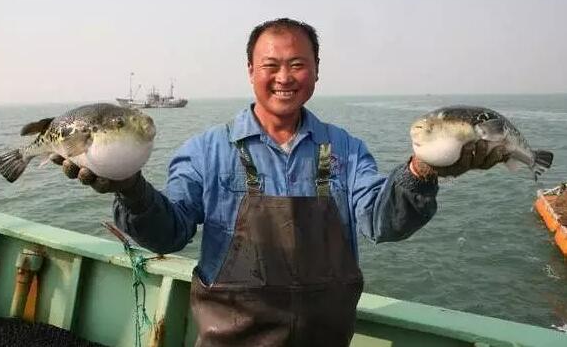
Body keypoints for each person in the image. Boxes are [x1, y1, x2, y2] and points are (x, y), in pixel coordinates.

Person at [53, 18, 508, 346]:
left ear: (316, 71)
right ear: (251, 70)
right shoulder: (206, 150)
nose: (284, 78)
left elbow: (381, 222)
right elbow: (169, 233)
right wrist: (129, 187)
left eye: (298, 64)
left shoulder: (347, 149)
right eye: (270, 65)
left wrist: (422, 172)